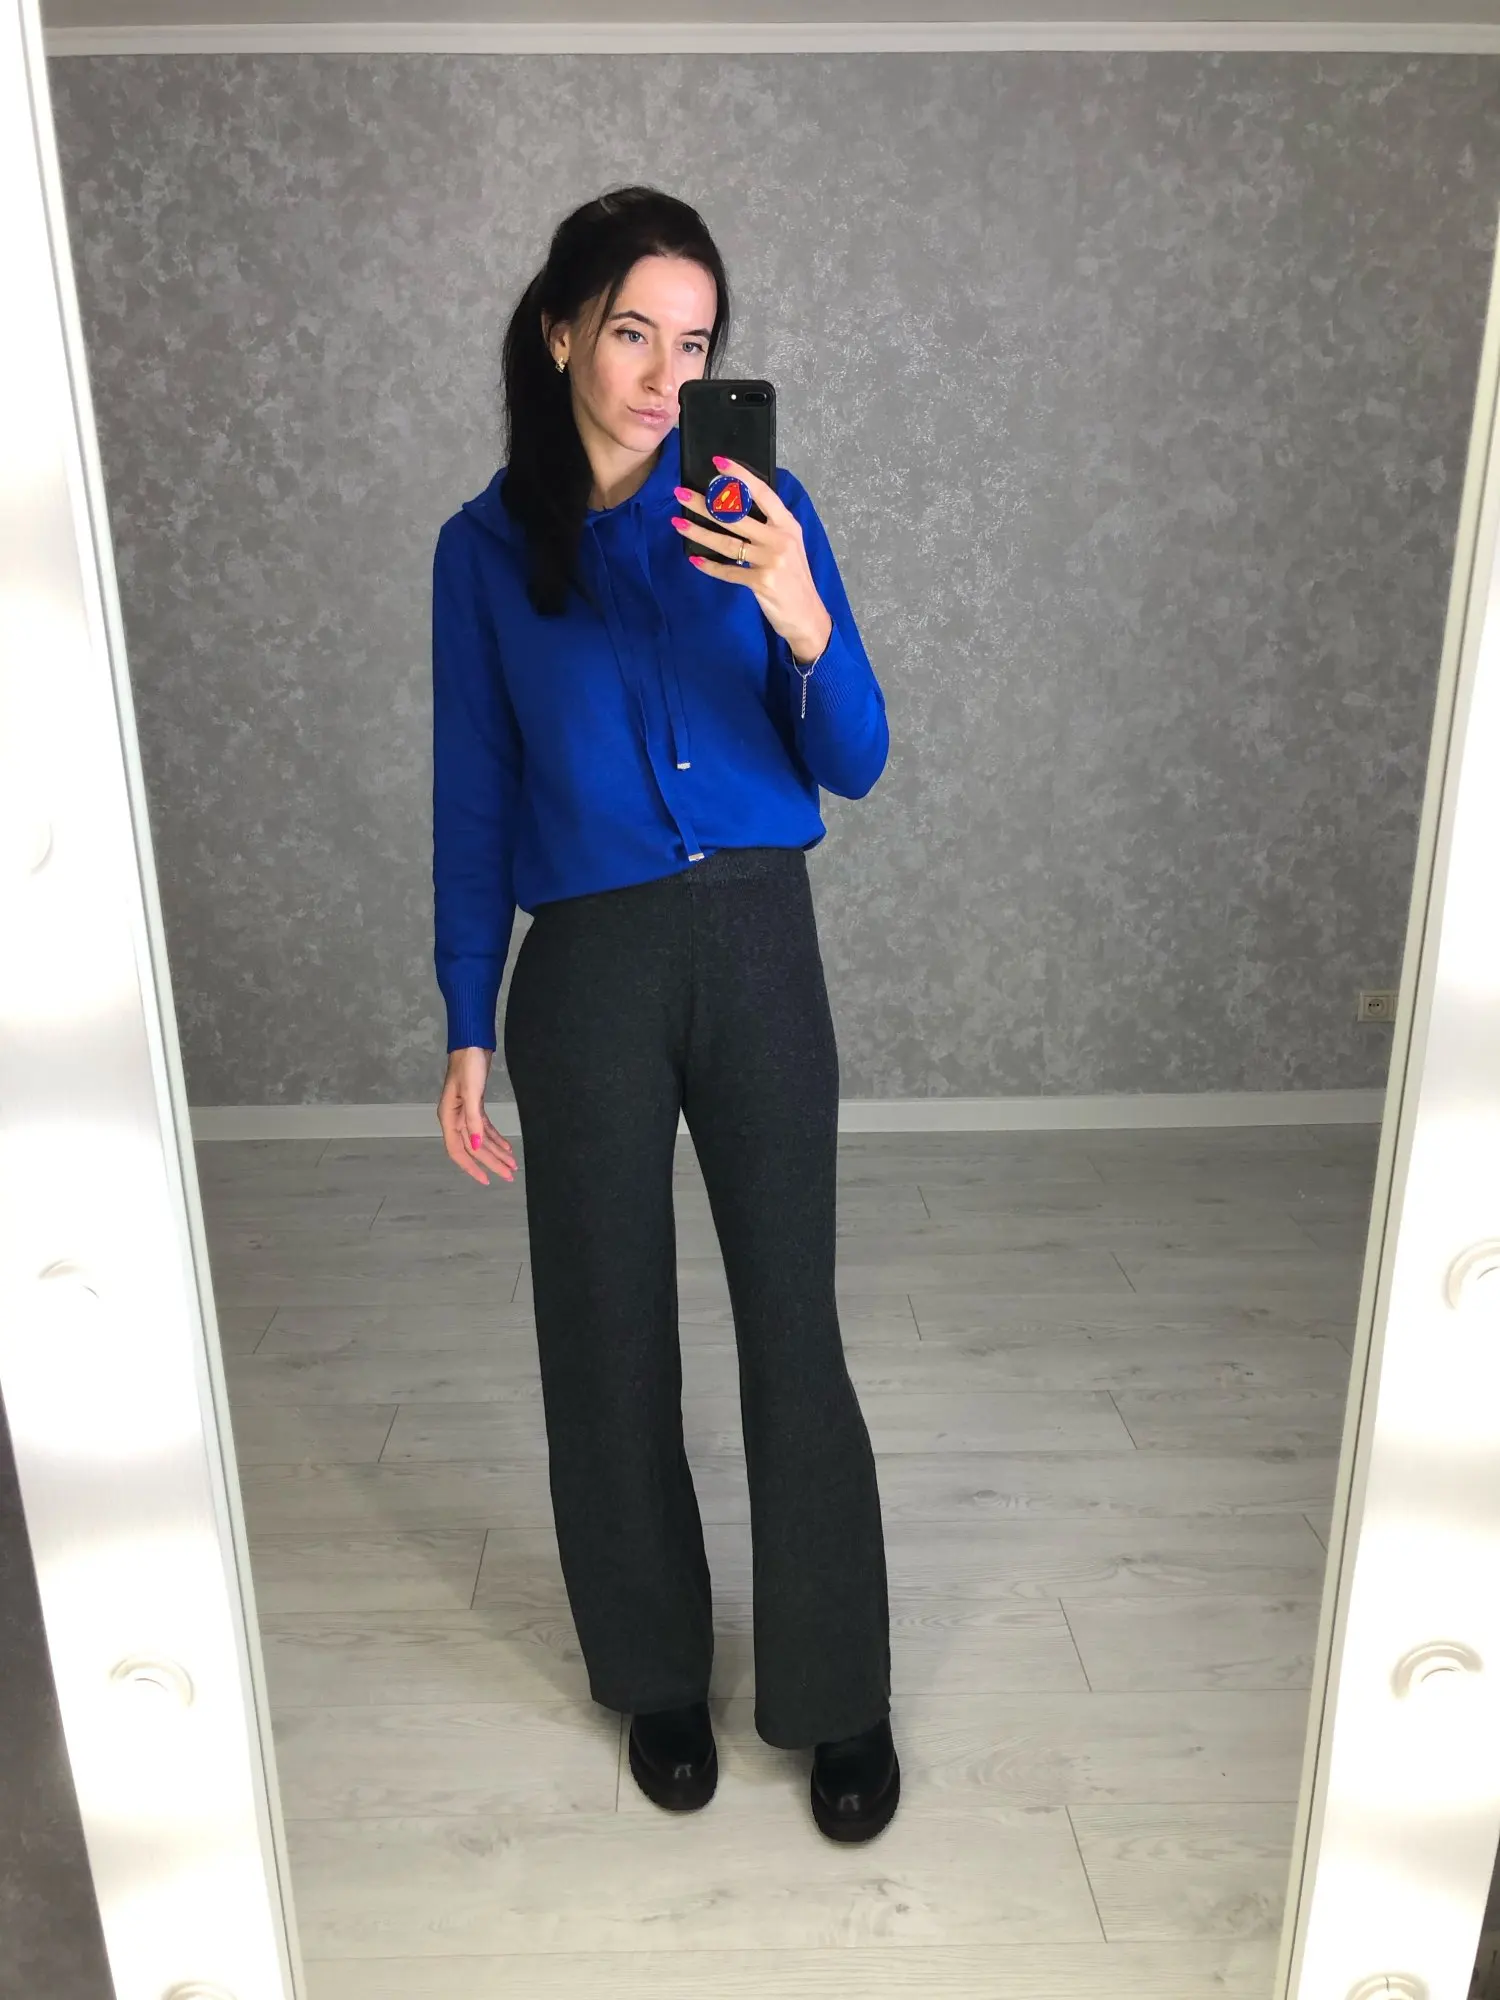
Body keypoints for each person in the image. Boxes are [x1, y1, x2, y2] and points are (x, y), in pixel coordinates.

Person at [429, 184, 898, 1843]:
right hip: (587, 973)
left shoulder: (765, 514)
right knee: (605, 1332)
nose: (660, 374)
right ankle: (656, 1674)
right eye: (633, 332)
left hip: (760, 943)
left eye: (694, 344)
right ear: (560, 330)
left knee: (793, 1326)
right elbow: (474, 795)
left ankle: (838, 1692)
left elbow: (855, 757)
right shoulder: (483, 552)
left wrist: (798, 609)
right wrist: (464, 1016)